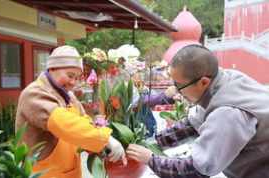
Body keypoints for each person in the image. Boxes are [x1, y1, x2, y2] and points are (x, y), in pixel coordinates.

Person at [126, 44, 269, 178]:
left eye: (179, 85)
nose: (176, 90)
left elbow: (196, 170)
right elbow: (192, 125)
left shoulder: (228, 114)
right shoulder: (222, 81)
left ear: (204, 82)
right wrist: (152, 142)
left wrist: (150, 159)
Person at [15, 45, 126, 178]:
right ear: (52, 68)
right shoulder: (34, 93)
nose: (73, 82)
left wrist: (100, 148)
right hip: (45, 174)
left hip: (70, 172)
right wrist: (105, 138)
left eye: (77, 77)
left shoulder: (69, 96)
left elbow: (84, 122)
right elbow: (63, 123)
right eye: (70, 75)